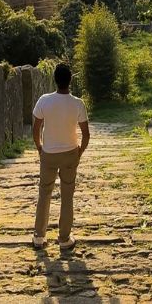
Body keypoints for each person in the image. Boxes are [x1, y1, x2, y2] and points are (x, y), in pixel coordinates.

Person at [32, 63, 90, 252]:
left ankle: (39, 236)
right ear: (70, 80)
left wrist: (40, 148)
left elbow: (36, 128)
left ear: (55, 79)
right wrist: (79, 152)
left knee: (44, 193)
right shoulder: (78, 103)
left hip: (48, 153)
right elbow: (86, 134)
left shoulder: (44, 100)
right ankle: (64, 238)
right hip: (70, 154)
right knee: (67, 196)